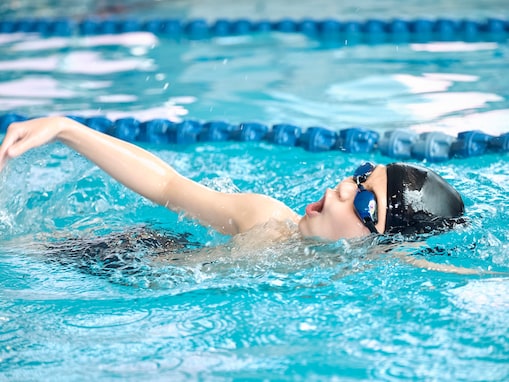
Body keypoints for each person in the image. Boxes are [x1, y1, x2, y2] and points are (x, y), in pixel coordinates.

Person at [0, 116, 465, 250]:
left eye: (366, 204)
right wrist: (66, 129)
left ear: (382, 248)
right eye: (360, 177)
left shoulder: (383, 272)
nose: (345, 188)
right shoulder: (265, 219)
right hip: (122, 260)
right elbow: (166, 185)